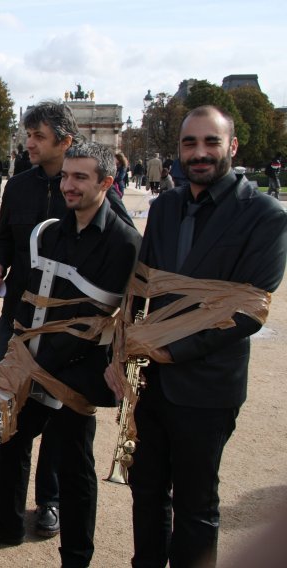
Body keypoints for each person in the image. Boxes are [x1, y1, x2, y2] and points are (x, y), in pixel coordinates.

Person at [104, 106, 287, 567]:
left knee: (195, 504)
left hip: (206, 385)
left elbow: (247, 310)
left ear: (232, 147)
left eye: (211, 142)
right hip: (149, 380)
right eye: (190, 143)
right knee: (145, 491)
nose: (200, 153)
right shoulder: (165, 206)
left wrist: (168, 348)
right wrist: (122, 350)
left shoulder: (265, 215)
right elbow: (141, 289)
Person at [0, 143, 142, 568]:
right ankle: (5, 523)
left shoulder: (125, 243)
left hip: (78, 374)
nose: (69, 185)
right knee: (13, 438)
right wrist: (13, 361)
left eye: (81, 177)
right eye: (66, 176)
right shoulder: (49, 231)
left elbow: (123, 320)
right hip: (34, 361)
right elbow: (27, 300)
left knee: (74, 468)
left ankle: (75, 559)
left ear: (106, 183)